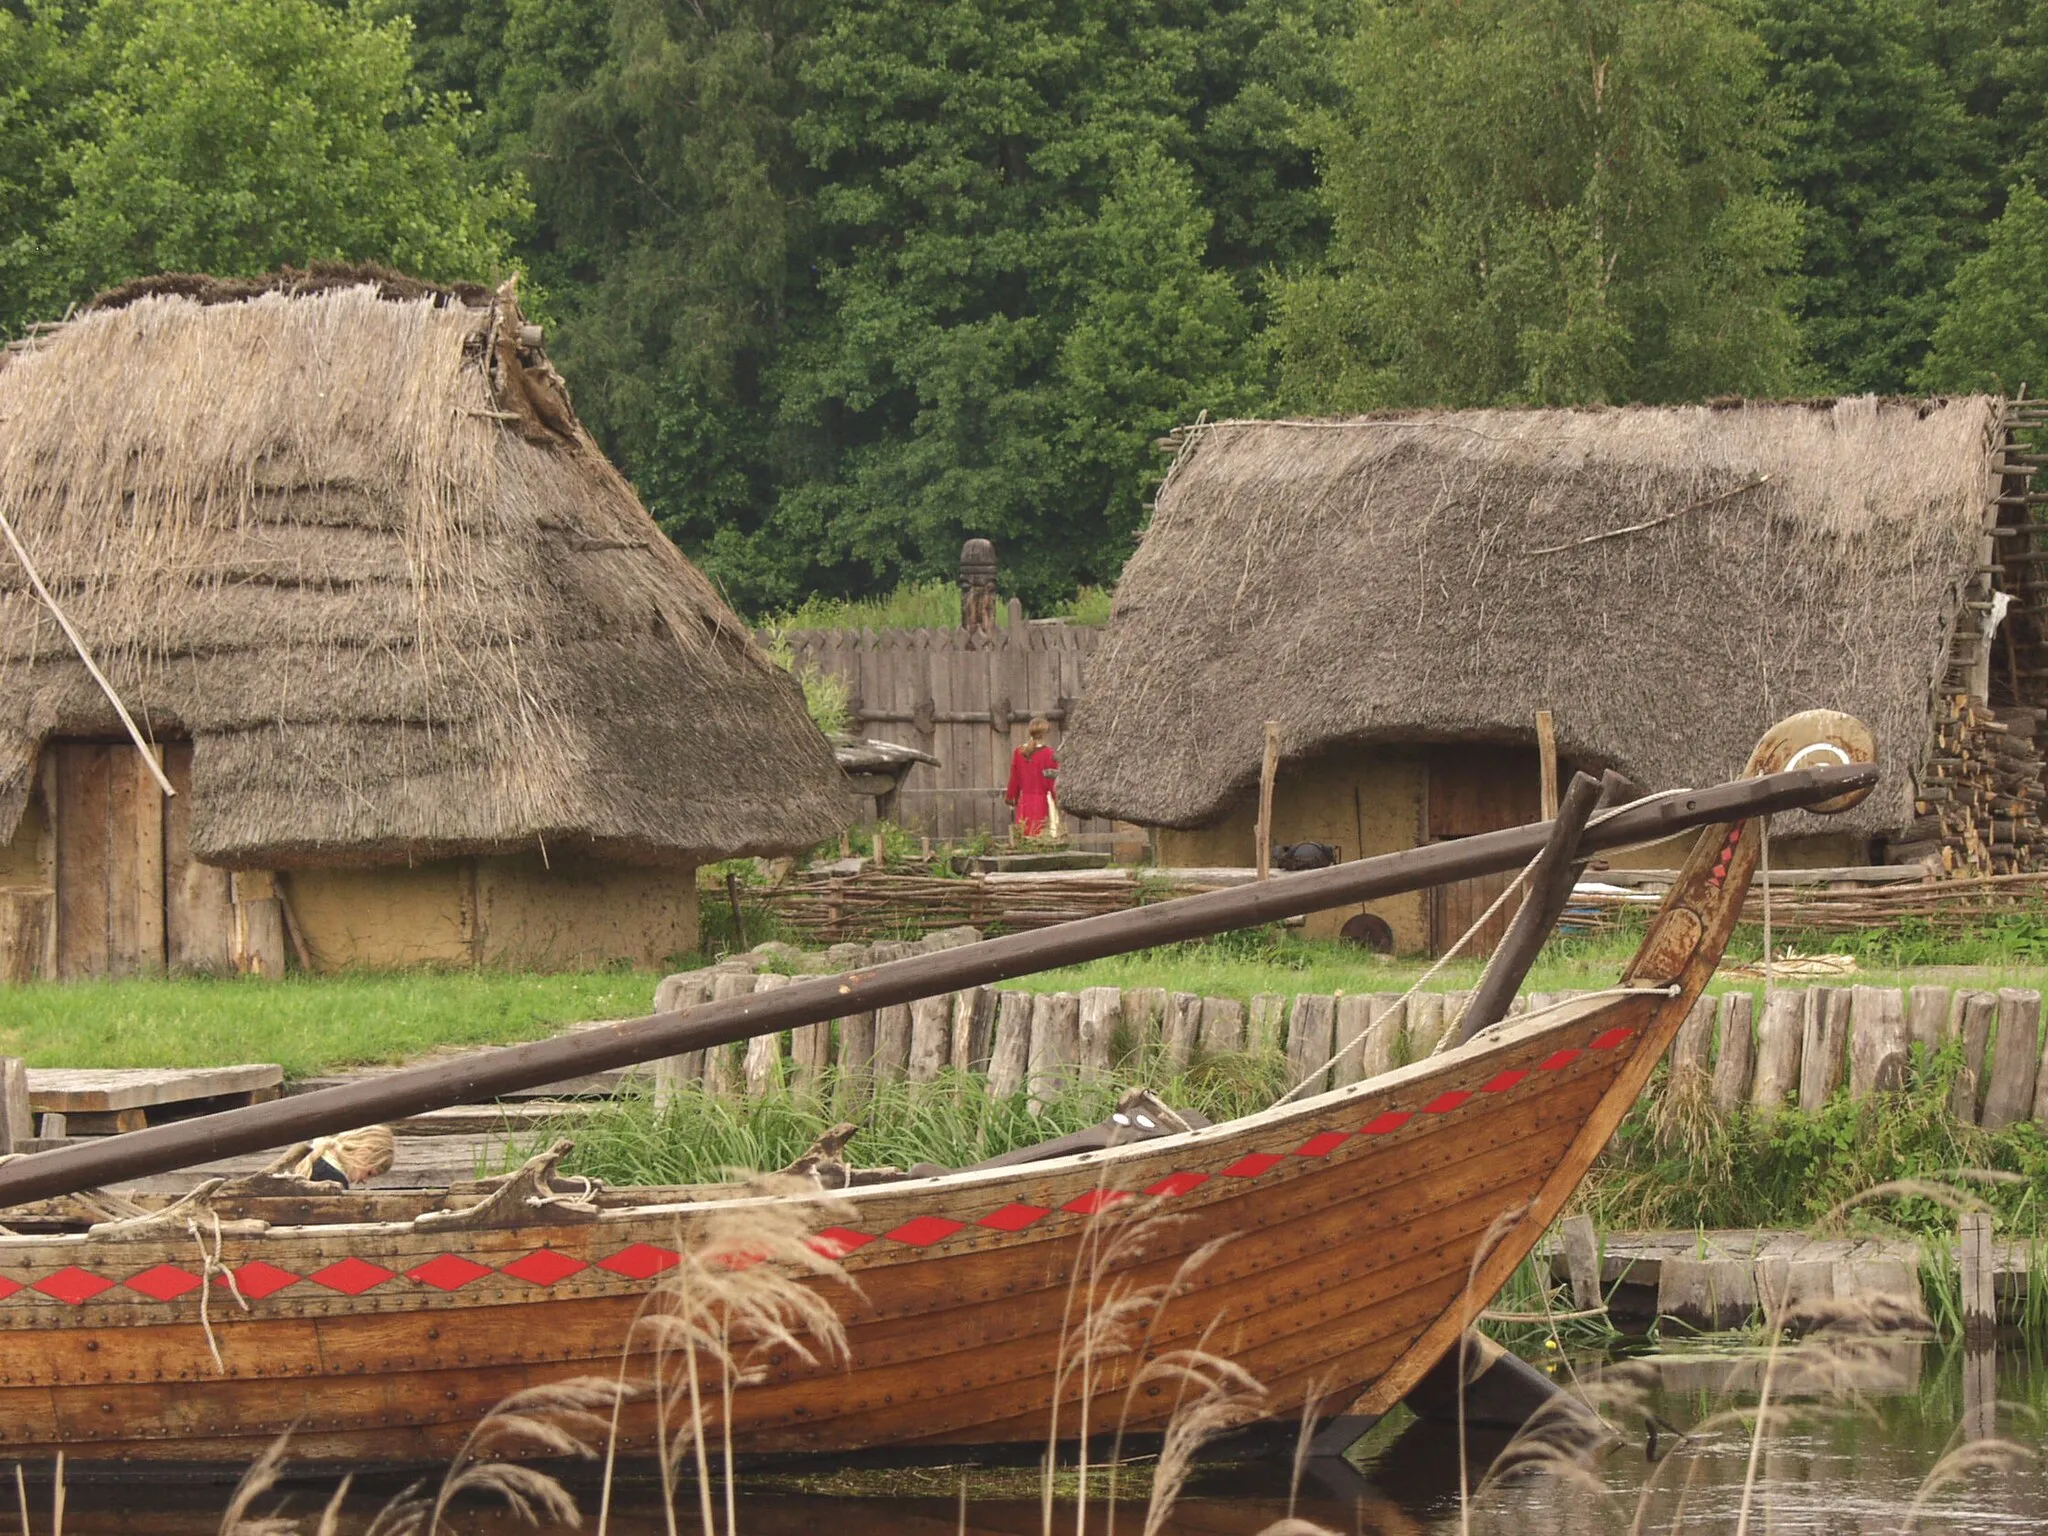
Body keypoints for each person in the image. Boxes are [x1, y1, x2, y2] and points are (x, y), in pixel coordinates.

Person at [1005, 717, 1059, 837]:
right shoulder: (1049, 754)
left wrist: (1011, 798)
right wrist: (1058, 801)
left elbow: (1014, 778)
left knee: (1024, 836)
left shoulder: (1019, 752)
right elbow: (1053, 782)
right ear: (1045, 733)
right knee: (1042, 836)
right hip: (1042, 802)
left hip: (1024, 802)